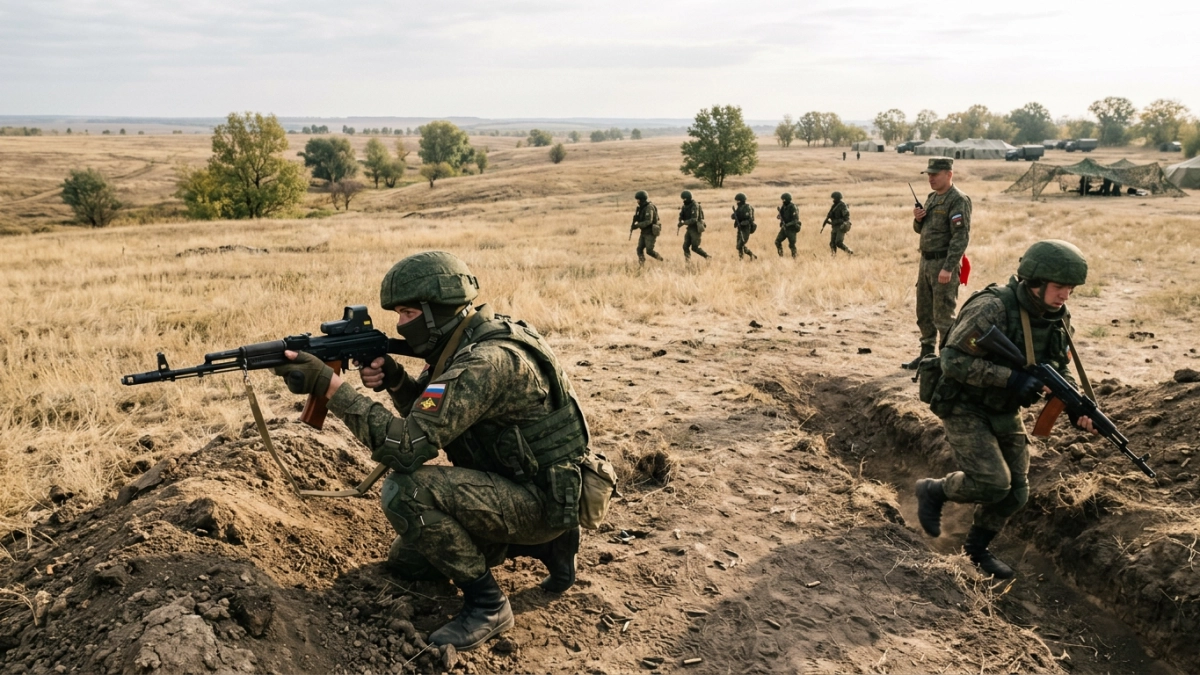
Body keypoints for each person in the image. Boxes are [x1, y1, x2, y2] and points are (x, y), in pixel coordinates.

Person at [271, 251, 592, 651]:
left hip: (539, 500)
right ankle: (549, 544)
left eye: (408, 313)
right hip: (535, 488)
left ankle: (488, 604)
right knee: (409, 560)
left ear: (436, 310)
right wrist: (396, 379)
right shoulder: (468, 341)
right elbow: (437, 419)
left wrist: (331, 388)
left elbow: (407, 450)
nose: (400, 325)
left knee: (405, 493)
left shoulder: (485, 362)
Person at [914, 240, 1097, 578]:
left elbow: (1059, 365)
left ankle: (975, 551)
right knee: (994, 483)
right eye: (1059, 287)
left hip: (1004, 408)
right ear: (1035, 281)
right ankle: (934, 491)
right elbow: (951, 360)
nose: (1065, 295)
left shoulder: (1057, 317)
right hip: (963, 403)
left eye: (1071, 289)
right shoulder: (993, 307)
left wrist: (1073, 403)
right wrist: (1010, 378)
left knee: (1016, 493)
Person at [904, 157, 971, 370]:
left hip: (943, 263)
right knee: (924, 312)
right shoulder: (932, 198)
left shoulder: (958, 200)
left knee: (943, 315)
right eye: (929, 174)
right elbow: (920, 230)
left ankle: (946, 359)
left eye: (935, 174)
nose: (930, 178)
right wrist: (918, 219)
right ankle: (926, 354)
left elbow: (960, 237)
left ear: (949, 174)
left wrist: (948, 268)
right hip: (926, 262)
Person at [631, 190, 663, 265]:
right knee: (639, 249)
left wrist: (637, 225)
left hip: (650, 232)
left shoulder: (649, 207)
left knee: (649, 251)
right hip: (644, 232)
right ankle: (642, 264)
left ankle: (662, 260)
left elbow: (648, 221)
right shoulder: (642, 207)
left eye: (638, 199)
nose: (637, 201)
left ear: (642, 199)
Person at [678, 190, 710, 261]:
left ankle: (707, 257)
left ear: (688, 198)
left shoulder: (695, 205)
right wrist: (680, 220)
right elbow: (681, 215)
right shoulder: (685, 206)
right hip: (690, 228)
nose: (683, 200)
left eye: (684, 199)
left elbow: (694, 219)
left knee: (695, 247)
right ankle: (688, 262)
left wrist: (683, 223)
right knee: (685, 246)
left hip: (696, 228)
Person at [824, 191, 853, 256]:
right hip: (834, 226)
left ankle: (849, 252)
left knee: (838, 242)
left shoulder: (842, 206)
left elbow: (846, 218)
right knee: (832, 243)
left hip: (841, 226)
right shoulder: (834, 206)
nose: (833, 200)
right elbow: (830, 214)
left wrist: (838, 221)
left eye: (834, 198)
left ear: (837, 198)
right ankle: (833, 256)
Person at [774, 192, 801, 258]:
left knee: (791, 245)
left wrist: (787, 224)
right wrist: (780, 217)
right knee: (777, 241)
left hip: (791, 228)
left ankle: (795, 258)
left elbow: (795, 220)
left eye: (784, 199)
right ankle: (781, 256)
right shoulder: (784, 206)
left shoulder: (793, 207)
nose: (783, 201)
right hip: (784, 228)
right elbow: (780, 214)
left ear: (787, 199)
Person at [731, 193, 757, 260]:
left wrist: (743, 223)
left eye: (738, 201)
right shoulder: (739, 208)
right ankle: (750, 256)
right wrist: (733, 216)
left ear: (742, 200)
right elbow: (735, 215)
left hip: (746, 228)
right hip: (740, 228)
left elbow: (750, 219)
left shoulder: (747, 207)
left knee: (740, 245)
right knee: (738, 246)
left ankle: (743, 258)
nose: (737, 202)